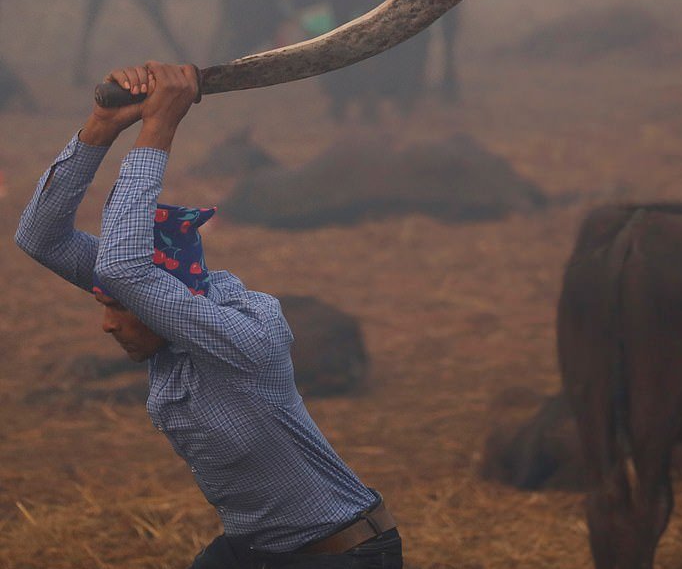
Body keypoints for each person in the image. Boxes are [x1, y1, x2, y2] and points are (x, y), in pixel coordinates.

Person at [15, 62, 402, 569]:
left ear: (162, 297)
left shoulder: (244, 339)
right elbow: (39, 238)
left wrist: (159, 127)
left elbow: (126, 270)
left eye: (117, 308)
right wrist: (103, 126)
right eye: (103, 303)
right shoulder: (156, 300)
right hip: (253, 551)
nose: (107, 325)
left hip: (344, 553)